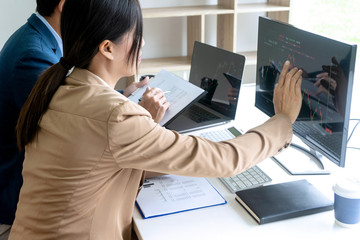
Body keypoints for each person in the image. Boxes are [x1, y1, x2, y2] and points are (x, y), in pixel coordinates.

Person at [10, 0, 302, 239]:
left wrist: (149, 132)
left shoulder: (60, 88)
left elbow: (97, 157)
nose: (143, 41)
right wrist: (282, 121)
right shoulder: (113, 113)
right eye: (136, 34)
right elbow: (224, 160)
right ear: (107, 48)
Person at [0, 1, 152, 239]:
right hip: (15, 209)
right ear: (65, 5)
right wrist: (138, 116)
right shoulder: (33, 54)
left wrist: (124, 98)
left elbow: (77, 108)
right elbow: (74, 126)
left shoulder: (42, 40)